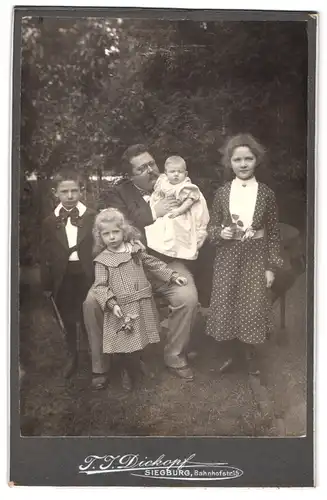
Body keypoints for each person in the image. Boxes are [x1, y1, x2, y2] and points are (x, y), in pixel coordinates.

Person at [84, 144, 199, 387]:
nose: (151, 171)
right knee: (92, 302)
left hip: (166, 261)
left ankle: (174, 356)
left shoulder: (175, 183)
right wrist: (152, 212)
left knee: (187, 296)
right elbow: (117, 230)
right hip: (125, 264)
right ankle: (101, 366)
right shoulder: (117, 194)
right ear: (130, 175)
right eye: (142, 168)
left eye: (151, 164)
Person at [205, 134, 283, 376]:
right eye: (237, 159)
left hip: (256, 255)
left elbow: (274, 232)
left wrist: (271, 266)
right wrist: (222, 232)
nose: (243, 164)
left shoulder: (266, 194)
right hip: (228, 256)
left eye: (248, 158)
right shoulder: (222, 193)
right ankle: (231, 355)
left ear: (256, 160)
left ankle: (250, 356)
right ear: (230, 162)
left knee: (253, 303)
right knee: (226, 301)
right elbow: (211, 229)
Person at [91, 208, 187, 391]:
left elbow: (152, 264)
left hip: (141, 302)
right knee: (124, 341)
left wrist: (172, 275)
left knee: (141, 336)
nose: (112, 237)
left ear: (123, 231)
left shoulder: (134, 250)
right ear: (100, 236)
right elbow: (100, 286)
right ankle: (126, 371)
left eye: (115, 232)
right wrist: (111, 303)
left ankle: (139, 364)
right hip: (122, 307)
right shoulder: (102, 261)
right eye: (106, 234)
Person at [40, 169, 96, 378]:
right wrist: (46, 284)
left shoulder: (91, 216)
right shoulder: (49, 221)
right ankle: (73, 355)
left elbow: (99, 246)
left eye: (74, 191)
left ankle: (94, 354)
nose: (70, 196)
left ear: (81, 191)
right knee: (68, 317)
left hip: (86, 274)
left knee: (88, 315)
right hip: (63, 276)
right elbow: (45, 255)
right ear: (56, 193)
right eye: (65, 192)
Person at [145, 155, 209, 260]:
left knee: (176, 227)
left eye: (180, 172)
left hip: (182, 213)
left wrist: (179, 211)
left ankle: (177, 252)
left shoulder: (185, 186)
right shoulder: (164, 182)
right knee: (159, 227)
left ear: (185, 173)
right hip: (167, 212)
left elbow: (190, 200)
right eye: (172, 172)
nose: (176, 174)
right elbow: (158, 188)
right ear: (166, 173)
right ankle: (162, 249)